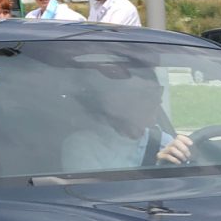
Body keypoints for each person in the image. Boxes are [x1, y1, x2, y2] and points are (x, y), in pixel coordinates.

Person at [63, 68, 191, 172]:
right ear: (114, 102)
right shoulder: (84, 145)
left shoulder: (164, 140)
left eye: (158, 92)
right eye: (146, 94)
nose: (158, 100)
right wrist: (154, 171)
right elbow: (94, 194)